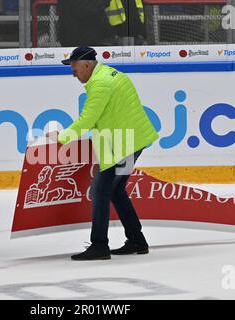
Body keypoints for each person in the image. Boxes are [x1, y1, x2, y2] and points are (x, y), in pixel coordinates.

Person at [48, 47, 158, 261]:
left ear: (87, 65)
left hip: (124, 144)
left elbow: (87, 119)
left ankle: (100, 246)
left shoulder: (100, 84)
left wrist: (62, 137)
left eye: (74, 66)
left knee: (99, 191)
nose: (72, 71)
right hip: (131, 141)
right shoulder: (109, 73)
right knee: (115, 191)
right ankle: (137, 240)